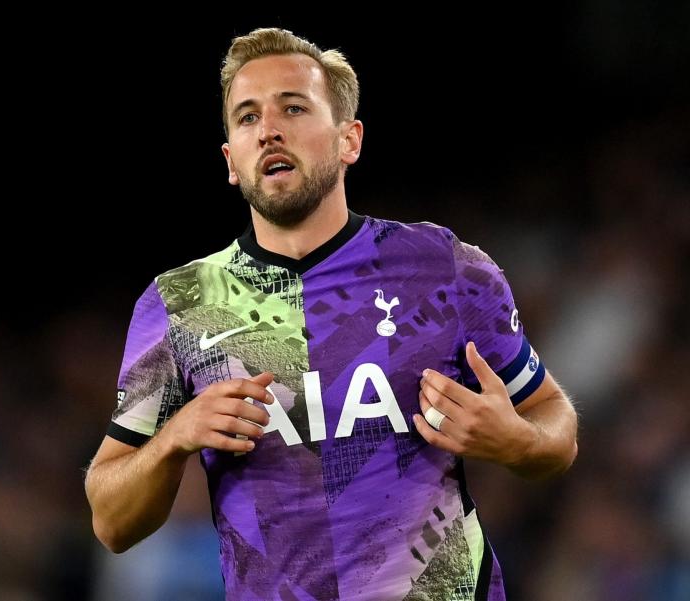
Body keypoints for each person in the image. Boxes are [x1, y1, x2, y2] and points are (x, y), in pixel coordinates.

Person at [85, 27, 578, 601]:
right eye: (246, 118)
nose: (268, 129)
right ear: (231, 161)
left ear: (350, 140)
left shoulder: (445, 269)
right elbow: (111, 523)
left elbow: (555, 427)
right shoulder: (180, 305)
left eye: (293, 108)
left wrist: (515, 441)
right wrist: (174, 437)